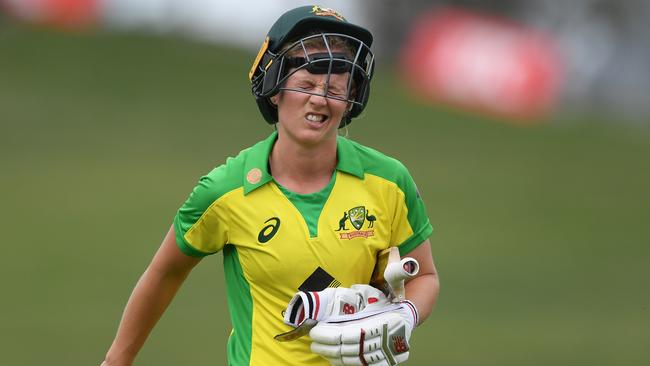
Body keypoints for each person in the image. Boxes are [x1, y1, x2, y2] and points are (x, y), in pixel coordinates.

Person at [101, 5, 439, 366]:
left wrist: (406, 313)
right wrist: (116, 361)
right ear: (274, 90)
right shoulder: (225, 191)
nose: (320, 99)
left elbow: (426, 276)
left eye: (335, 89)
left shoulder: (389, 180)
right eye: (306, 84)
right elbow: (165, 272)